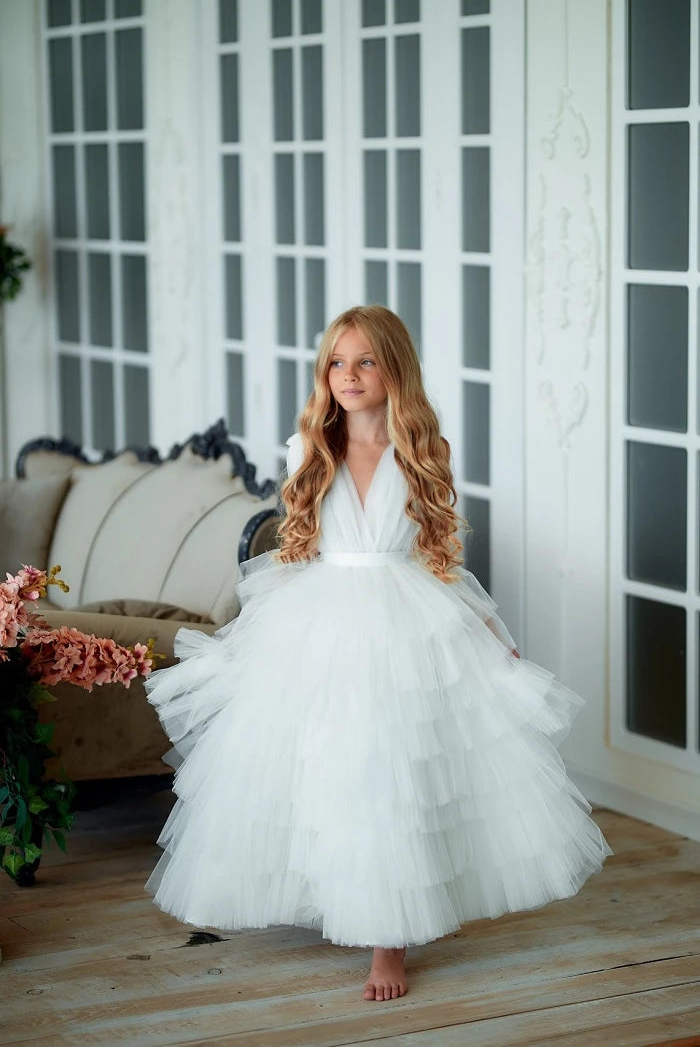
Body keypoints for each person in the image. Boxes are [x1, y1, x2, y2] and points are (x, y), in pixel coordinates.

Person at [144, 305, 612, 1003]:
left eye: (366, 361)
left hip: (405, 622)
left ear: (395, 369)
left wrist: (489, 630)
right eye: (337, 361)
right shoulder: (312, 448)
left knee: (392, 770)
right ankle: (344, 893)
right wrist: (259, 640)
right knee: (332, 769)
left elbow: (440, 562)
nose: (349, 375)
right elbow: (300, 549)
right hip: (324, 618)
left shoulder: (423, 451)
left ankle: (388, 941)